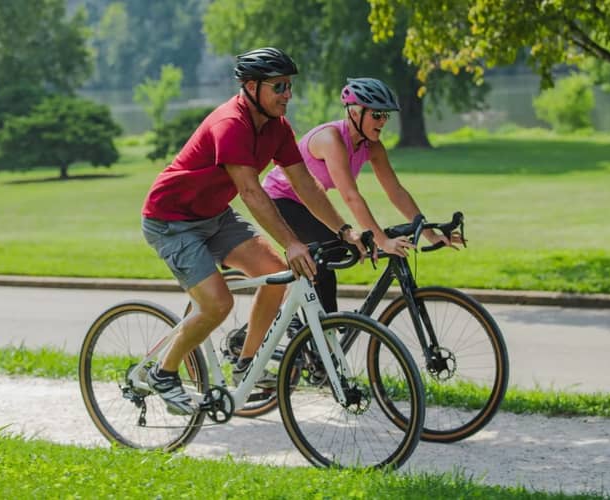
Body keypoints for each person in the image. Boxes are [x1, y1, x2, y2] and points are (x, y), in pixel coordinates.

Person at [141, 48, 365, 415]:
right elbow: (250, 191)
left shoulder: (277, 128)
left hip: (213, 215)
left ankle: (246, 364)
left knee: (273, 275)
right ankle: (164, 373)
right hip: (171, 220)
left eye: (289, 86)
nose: (287, 94)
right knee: (218, 304)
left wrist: (343, 231)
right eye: (279, 86)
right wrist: (292, 242)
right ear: (250, 87)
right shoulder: (230, 123)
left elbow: (306, 185)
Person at [262, 77, 457, 314]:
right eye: (377, 115)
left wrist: (429, 234)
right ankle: (318, 330)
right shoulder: (331, 139)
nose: (383, 121)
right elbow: (350, 195)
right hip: (280, 198)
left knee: (332, 253)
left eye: (386, 115)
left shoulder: (372, 146)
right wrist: (382, 240)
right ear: (355, 113)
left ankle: (300, 319)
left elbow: (395, 191)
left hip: (310, 202)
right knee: (330, 252)